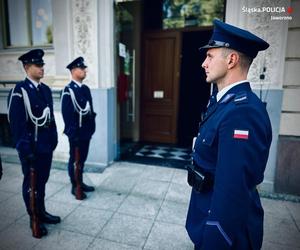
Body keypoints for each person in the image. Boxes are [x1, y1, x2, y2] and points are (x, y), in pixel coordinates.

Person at [185, 19, 272, 250]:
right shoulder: (222, 103)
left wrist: (214, 239)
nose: (204, 63)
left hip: (224, 233)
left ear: (231, 60)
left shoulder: (241, 112)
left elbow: (232, 189)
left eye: (210, 56)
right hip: (206, 213)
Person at [7, 49, 61, 238]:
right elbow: (17, 125)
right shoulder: (19, 92)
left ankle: (42, 211)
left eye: (42, 65)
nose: (42, 68)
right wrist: (25, 150)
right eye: (38, 65)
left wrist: (54, 139)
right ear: (26, 67)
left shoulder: (44, 89)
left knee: (42, 182)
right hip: (31, 149)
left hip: (45, 146)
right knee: (31, 184)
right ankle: (33, 218)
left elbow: (50, 118)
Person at [61, 57, 96, 200]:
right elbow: (67, 115)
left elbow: (90, 110)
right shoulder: (68, 91)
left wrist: (92, 127)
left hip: (86, 132)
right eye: (82, 68)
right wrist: (73, 134)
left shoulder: (85, 89)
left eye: (84, 68)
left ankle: (80, 181)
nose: (85, 70)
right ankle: (75, 186)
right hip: (76, 134)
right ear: (74, 71)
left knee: (82, 159)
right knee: (74, 160)